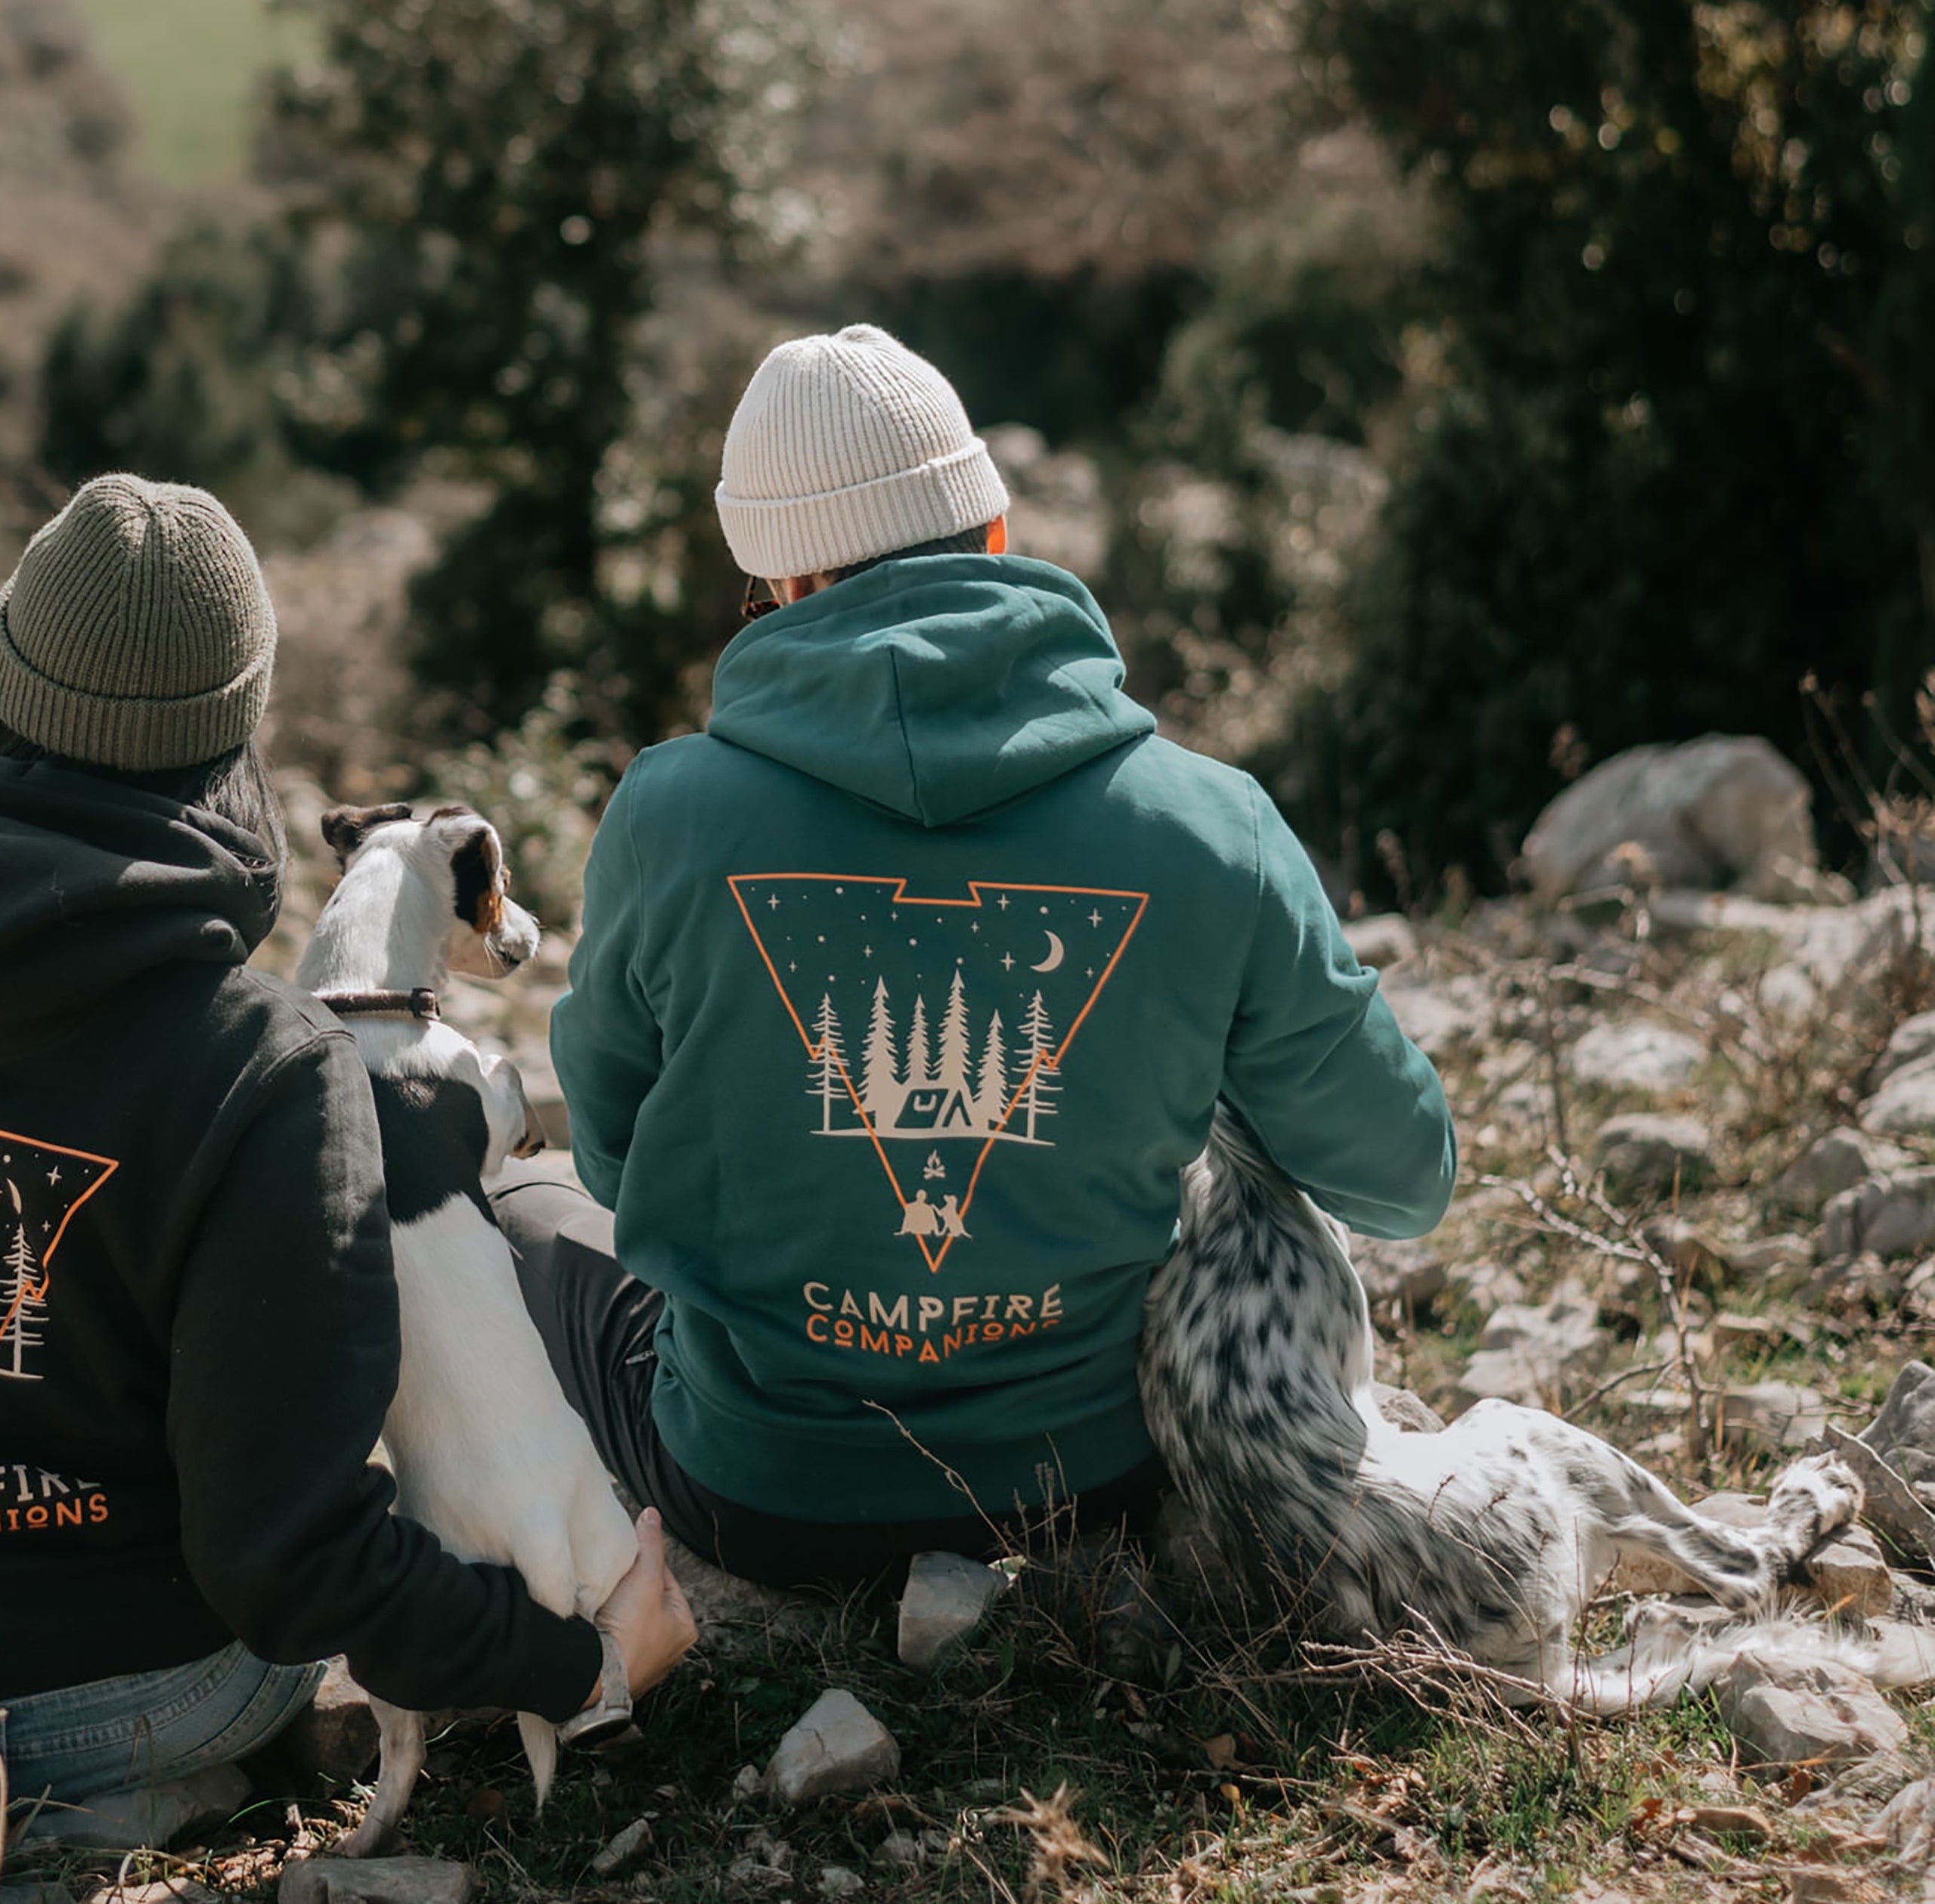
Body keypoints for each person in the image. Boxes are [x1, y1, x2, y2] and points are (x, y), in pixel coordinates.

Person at [0, 473, 694, 1819]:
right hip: (150, 1695)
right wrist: (580, 1661)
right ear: (236, 730)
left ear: (5, 672)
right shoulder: (265, 1064)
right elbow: (292, 1556)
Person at [504, 325, 1457, 1593]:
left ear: (781, 589)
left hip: (761, 1497)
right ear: (996, 532)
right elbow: (1405, 1178)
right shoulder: (1207, 821)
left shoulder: (666, 815)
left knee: (516, 1206)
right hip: (1096, 1487)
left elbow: (622, 1168)